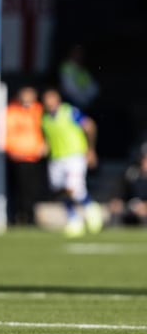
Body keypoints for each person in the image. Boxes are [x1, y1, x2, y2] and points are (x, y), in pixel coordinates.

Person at [40, 87, 103, 237]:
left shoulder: (70, 112)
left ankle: (91, 208)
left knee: (73, 188)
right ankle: (74, 219)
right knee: (60, 190)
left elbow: (90, 126)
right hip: (56, 158)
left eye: (51, 98)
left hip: (74, 156)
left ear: (58, 99)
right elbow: (50, 138)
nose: (49, 102)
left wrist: (90, 149)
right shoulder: (45, 119)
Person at [4, 86, 47, 225]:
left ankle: (30, 216)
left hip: (34, 156)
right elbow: (7, 132)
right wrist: (10, 149)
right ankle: (18, 216)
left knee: (32, 189)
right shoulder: (12, 110)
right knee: (19, 189)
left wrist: (45, 144)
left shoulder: (38, 110)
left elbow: (45, 129)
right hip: (18, 156)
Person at [108, 143, 147, 226]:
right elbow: (119, 193)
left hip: (144, 210)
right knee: (116, 207)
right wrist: (117, 202)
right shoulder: (131, 173)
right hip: (131, 207)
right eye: (144, 158)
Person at [59, 44, 99, 113]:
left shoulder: (82, 69)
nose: (78, 55)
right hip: (71, 102)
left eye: (80, 53)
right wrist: (83, 99)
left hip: (85, 103)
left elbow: (94, 88)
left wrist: (87, 99)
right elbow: (69, 89)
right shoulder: (66, 67)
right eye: (76, 52)